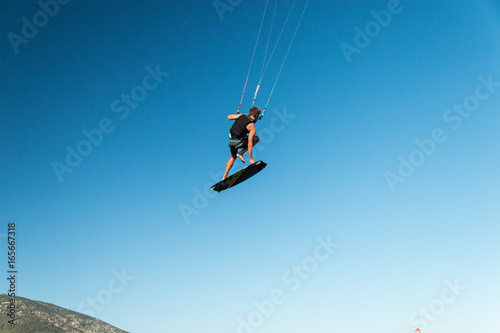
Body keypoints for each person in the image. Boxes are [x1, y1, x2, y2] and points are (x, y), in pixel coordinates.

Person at [223, 107, 261, 180]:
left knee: (233, 157)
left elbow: (229, 117)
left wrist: (241, 115)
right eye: (258, 116)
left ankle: (224, 176)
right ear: (256, 115)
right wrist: (251, 159)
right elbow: (250, 143)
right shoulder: (252, 127)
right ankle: (240, 153)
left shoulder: (242, 116)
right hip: (238, 141)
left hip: (231, 141)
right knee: (256, 139)